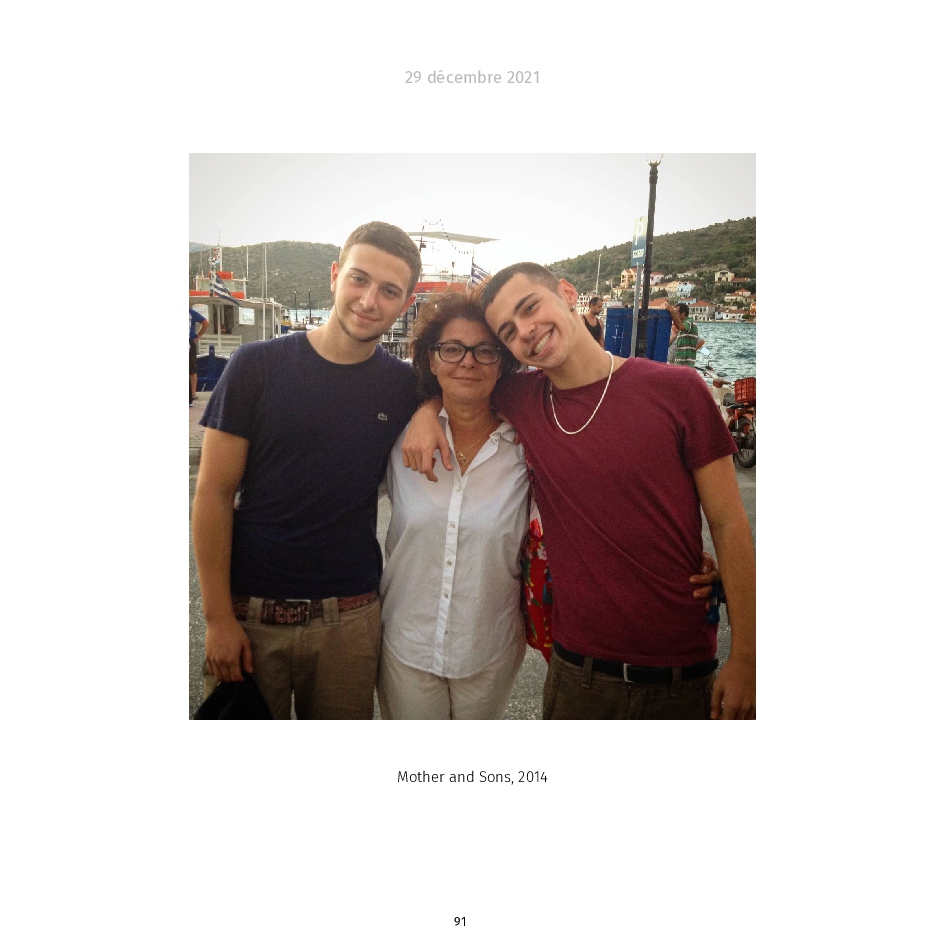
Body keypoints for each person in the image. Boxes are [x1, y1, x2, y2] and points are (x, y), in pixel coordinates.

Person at [403, 263, 756, 720]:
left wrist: (747, 657)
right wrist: (427, 410)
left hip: (682, 668)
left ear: (568, 293)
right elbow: (460, 381)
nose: (525, 331)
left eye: (530, 307)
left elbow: (729, 524)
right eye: (508, 331)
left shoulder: (678, 390)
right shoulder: (523, 397)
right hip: (576, 669)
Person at [192, 221, 423, 719]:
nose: (369, 300)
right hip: (251, 615)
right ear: (336, 275)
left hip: (351, 618)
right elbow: (213, 493)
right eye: (359, 279)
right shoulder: (256, 366)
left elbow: (467, 393)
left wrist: (428, 410)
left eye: (389, 291)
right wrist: (217, 618)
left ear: (405, 303)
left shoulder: (404, 388)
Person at [377, 293, 528, 719]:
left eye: (485, 351)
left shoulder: (524, 448)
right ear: (431, 359)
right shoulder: (398, 438)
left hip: (489, 648)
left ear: (502, 362)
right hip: (408, 645)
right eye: (452, 349)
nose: (468, 362)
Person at [669, 302, 700, 367]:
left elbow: (682, 327)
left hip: (686, 361)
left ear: (683, 313)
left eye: (676, 313)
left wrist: (672, 312)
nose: (675, 315)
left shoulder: (689, 321)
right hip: (679, 360)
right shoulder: (680, 327)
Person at [190, 307, 208, 405]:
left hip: (189, 342)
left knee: (191, 369)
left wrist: (198, 335)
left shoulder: (191, 313)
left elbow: (205, 322)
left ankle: (193, 393)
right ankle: (192, 393)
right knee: (191, 368)